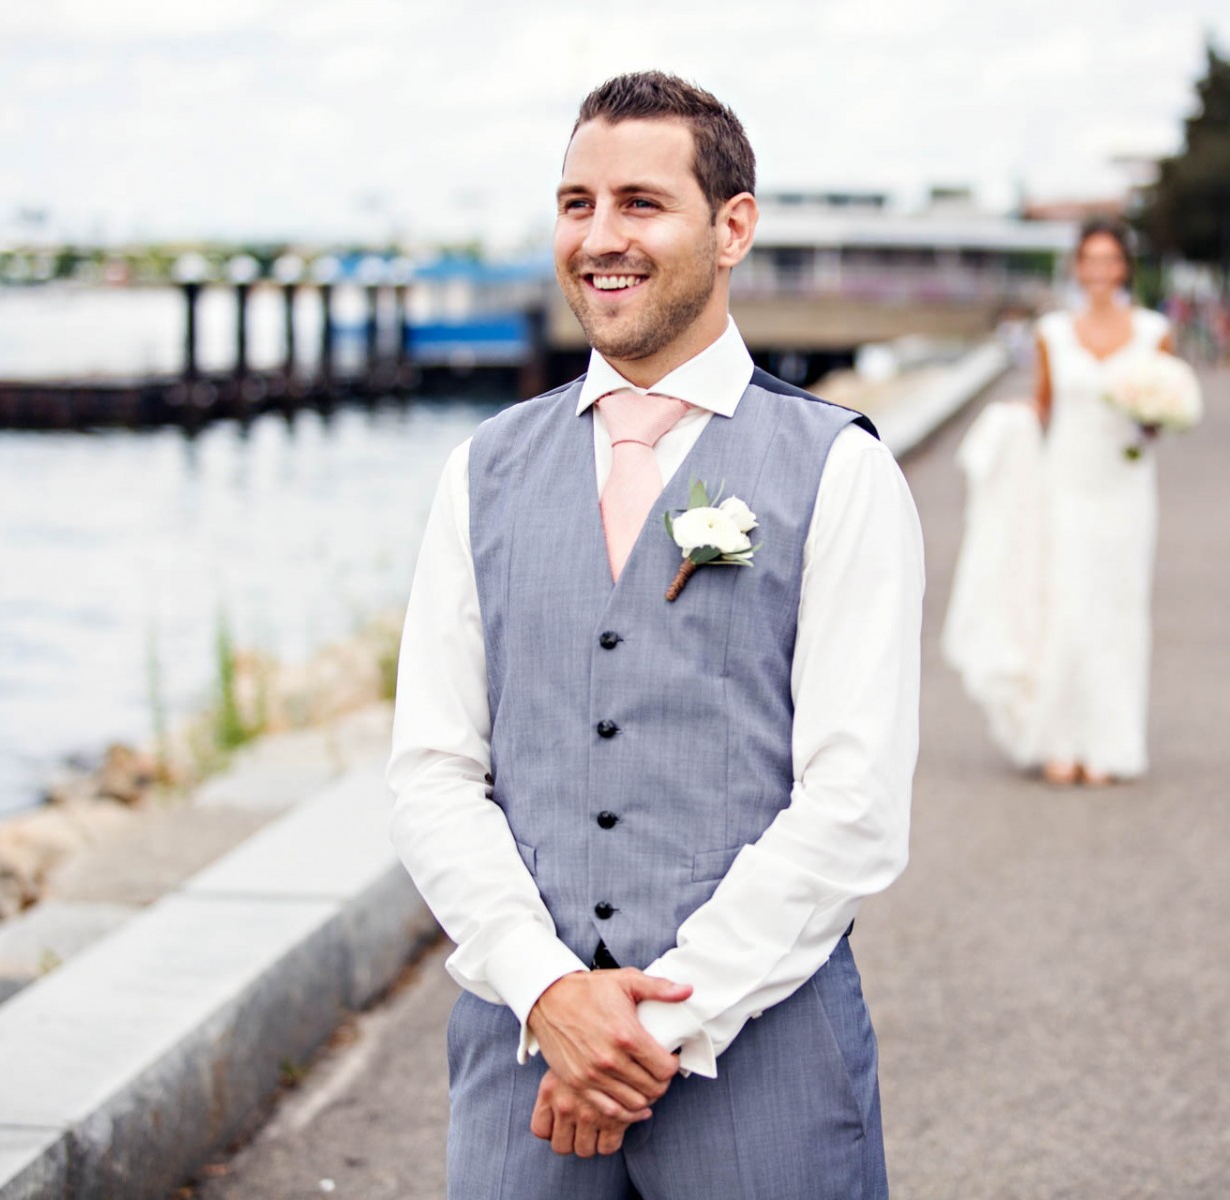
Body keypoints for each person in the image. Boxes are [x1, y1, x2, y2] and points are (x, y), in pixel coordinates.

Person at [386, 71, 922, 1200]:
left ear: (733, 228)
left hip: (763, 1074)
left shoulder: (840, 470)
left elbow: (855, 802)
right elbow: (434, 770)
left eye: (640, 202)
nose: (599, 237)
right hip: (522, 1072)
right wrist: (549, 992)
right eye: (576, 203)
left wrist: (653, 1027)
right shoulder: (480, 472)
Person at [943, 219, 1173, 786]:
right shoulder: (1053, 332)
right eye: (1089, 260)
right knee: (1065, 608)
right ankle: (1059, 738)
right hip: (1065, 484)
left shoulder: (1153, 332)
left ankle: (1110, 744)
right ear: (1078, 267)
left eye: (1110, 260)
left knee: (1118, 612)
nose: (1099, 272)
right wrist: (1007, 431)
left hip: (1125, 488)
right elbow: (1044, 406)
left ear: (1124, 268)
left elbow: (1157, 422)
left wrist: (1151, 413)